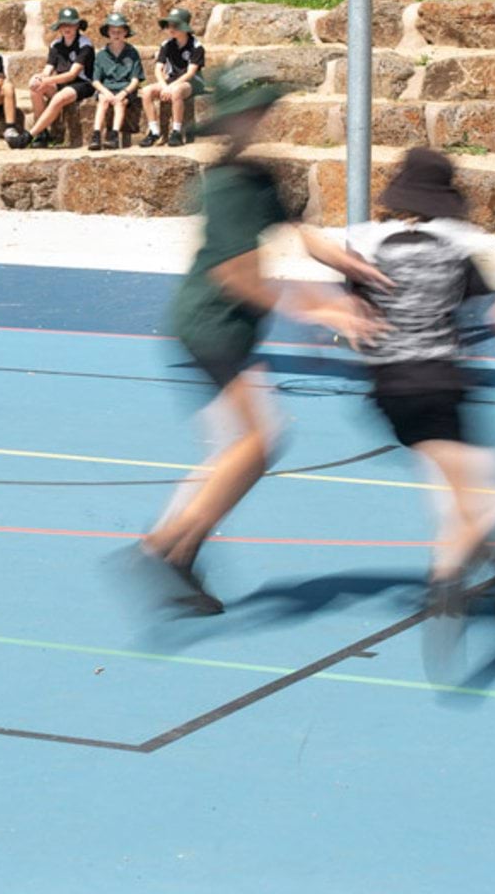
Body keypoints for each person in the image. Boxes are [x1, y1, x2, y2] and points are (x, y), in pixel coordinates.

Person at [131, 69, 388, 614]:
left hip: (227, 326)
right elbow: (238, 279)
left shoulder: (257, 176)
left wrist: (351, 265)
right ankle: (169, 548)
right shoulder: (224, 187)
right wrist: (324, 310)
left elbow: (298, 232)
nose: (260, 118)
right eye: (252, 110)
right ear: (232, 121)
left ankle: (173, 545)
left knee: (239, 446)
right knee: (257, 443)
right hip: (213, 324)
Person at [342, 147, 495, 627]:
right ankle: (454, 573)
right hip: (441, 383)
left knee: (461, 489)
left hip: (390, 393)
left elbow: (355, 316)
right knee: (489, 493)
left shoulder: (367, 246)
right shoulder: (456, 245)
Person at [24, 7, 97, 149]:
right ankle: (42, 134)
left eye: (70, 24)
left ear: (77, 26)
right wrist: (39, 78)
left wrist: (48, 80)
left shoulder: (85, 44)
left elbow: (73, 74)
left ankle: (30, 135)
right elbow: (48, 69)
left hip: (83, 84)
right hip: (62, 83)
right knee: (35, 88)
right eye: (63, 25)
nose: (67, 28)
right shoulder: (56, 44)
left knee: (59, 98)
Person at [140, 7, 207, 148]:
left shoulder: (196, 46)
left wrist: (170, 87)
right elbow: (158, 68)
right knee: (146, 91)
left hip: (191, 82)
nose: (171, 28)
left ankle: (176, 131)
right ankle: (154, 131)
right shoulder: (166, 45)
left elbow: (190, 73)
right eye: (169, 25)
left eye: (175, 25)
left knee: (176, 91)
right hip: (171, 80)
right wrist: (164, 86)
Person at [89, 14, 144, 151]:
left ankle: (113, 135)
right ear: (108, 33)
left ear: (125, 32)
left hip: (125, 88)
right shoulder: (101, 55)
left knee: (120, 102)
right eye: (113, 31)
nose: (116, 34)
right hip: (107, 88)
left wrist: (123, 93)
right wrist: (106, 92)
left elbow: (135, 79)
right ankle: (96, 136)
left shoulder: (132, 53)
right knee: (102, 100)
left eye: (120, 31)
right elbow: (95, 80)